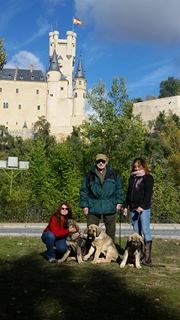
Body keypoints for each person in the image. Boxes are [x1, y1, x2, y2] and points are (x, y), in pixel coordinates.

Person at [80, 153, 124, 242]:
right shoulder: (89, 175)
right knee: (91, 232)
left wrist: (119, 202)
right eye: (98, 161)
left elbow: (119, 189)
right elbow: (84, 191)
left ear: (106, 162)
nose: (101, 163)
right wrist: (84, 206)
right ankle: (90, 251)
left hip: (110, 205)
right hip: (93, 206)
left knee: (111, 231)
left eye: (103, 161)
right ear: (95, 162)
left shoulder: (113, 174)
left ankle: (110, 252)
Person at [124, 157, 154, 266]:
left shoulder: (148, 178)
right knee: (136, 232)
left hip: (143, 209)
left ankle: (147, 258)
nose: (136, 168)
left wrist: (142, 206)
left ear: (143, 166)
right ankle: (138, 255)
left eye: (138, 166)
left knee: (145, 230)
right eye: (135, 166)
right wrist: (126, 206)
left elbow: (148, 194)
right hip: (133, 208)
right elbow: (128, 193)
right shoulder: (132, 178)